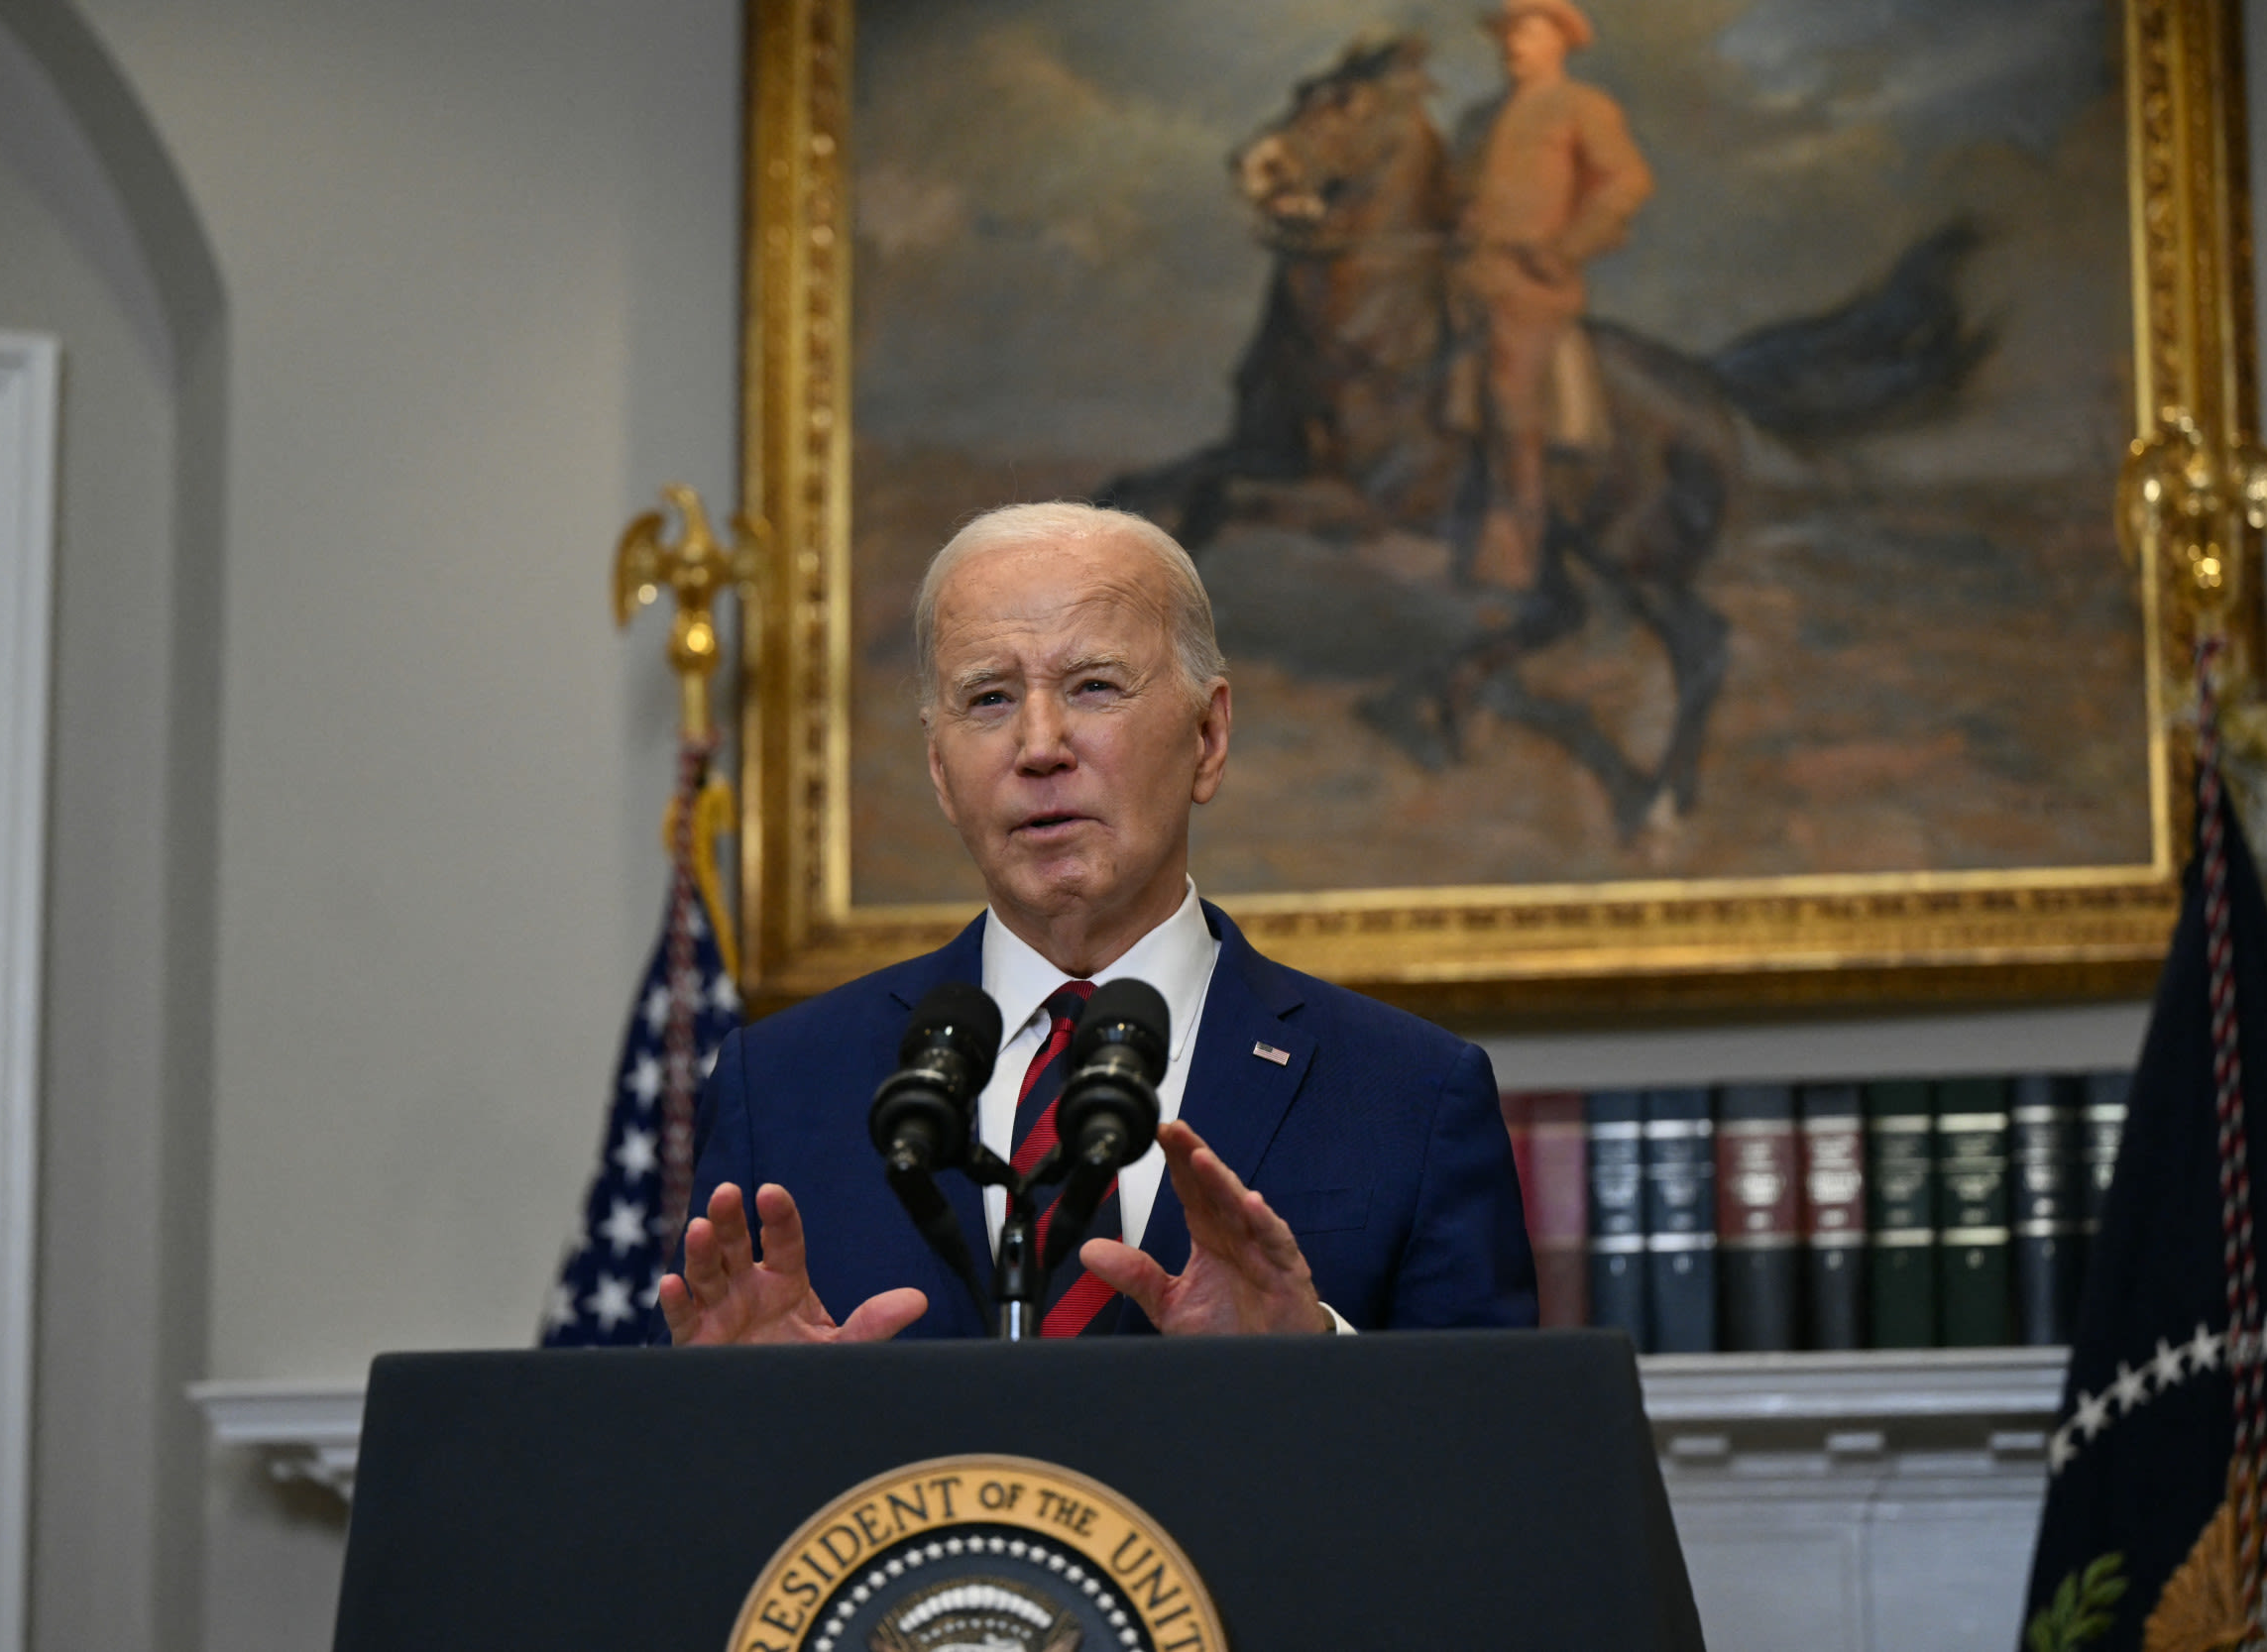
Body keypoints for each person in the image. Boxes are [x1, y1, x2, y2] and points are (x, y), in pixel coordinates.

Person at [656, 501, 1533, 1344]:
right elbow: (682, 1468)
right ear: (939, 769)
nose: (1039, 745)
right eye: (990, 698)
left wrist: (1315, 1357)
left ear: (1209, 736)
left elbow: (1498, 1461)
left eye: (1094, 685)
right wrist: (752, 1411)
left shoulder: (1408, 1095)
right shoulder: (780, 1086)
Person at [1448, 0, 1652, 591]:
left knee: (1510, 396)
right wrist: (1461, 216)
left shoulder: (1582, 108)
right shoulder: (1477, 119)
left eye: (1529, 31)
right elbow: (1459, 191)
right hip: (1465, 278)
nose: (1514, 43)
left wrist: (1565, 248)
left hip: (1531, 287)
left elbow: (1627, 183)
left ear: (1561, 40)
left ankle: (1519, 541)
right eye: (1508, 32)